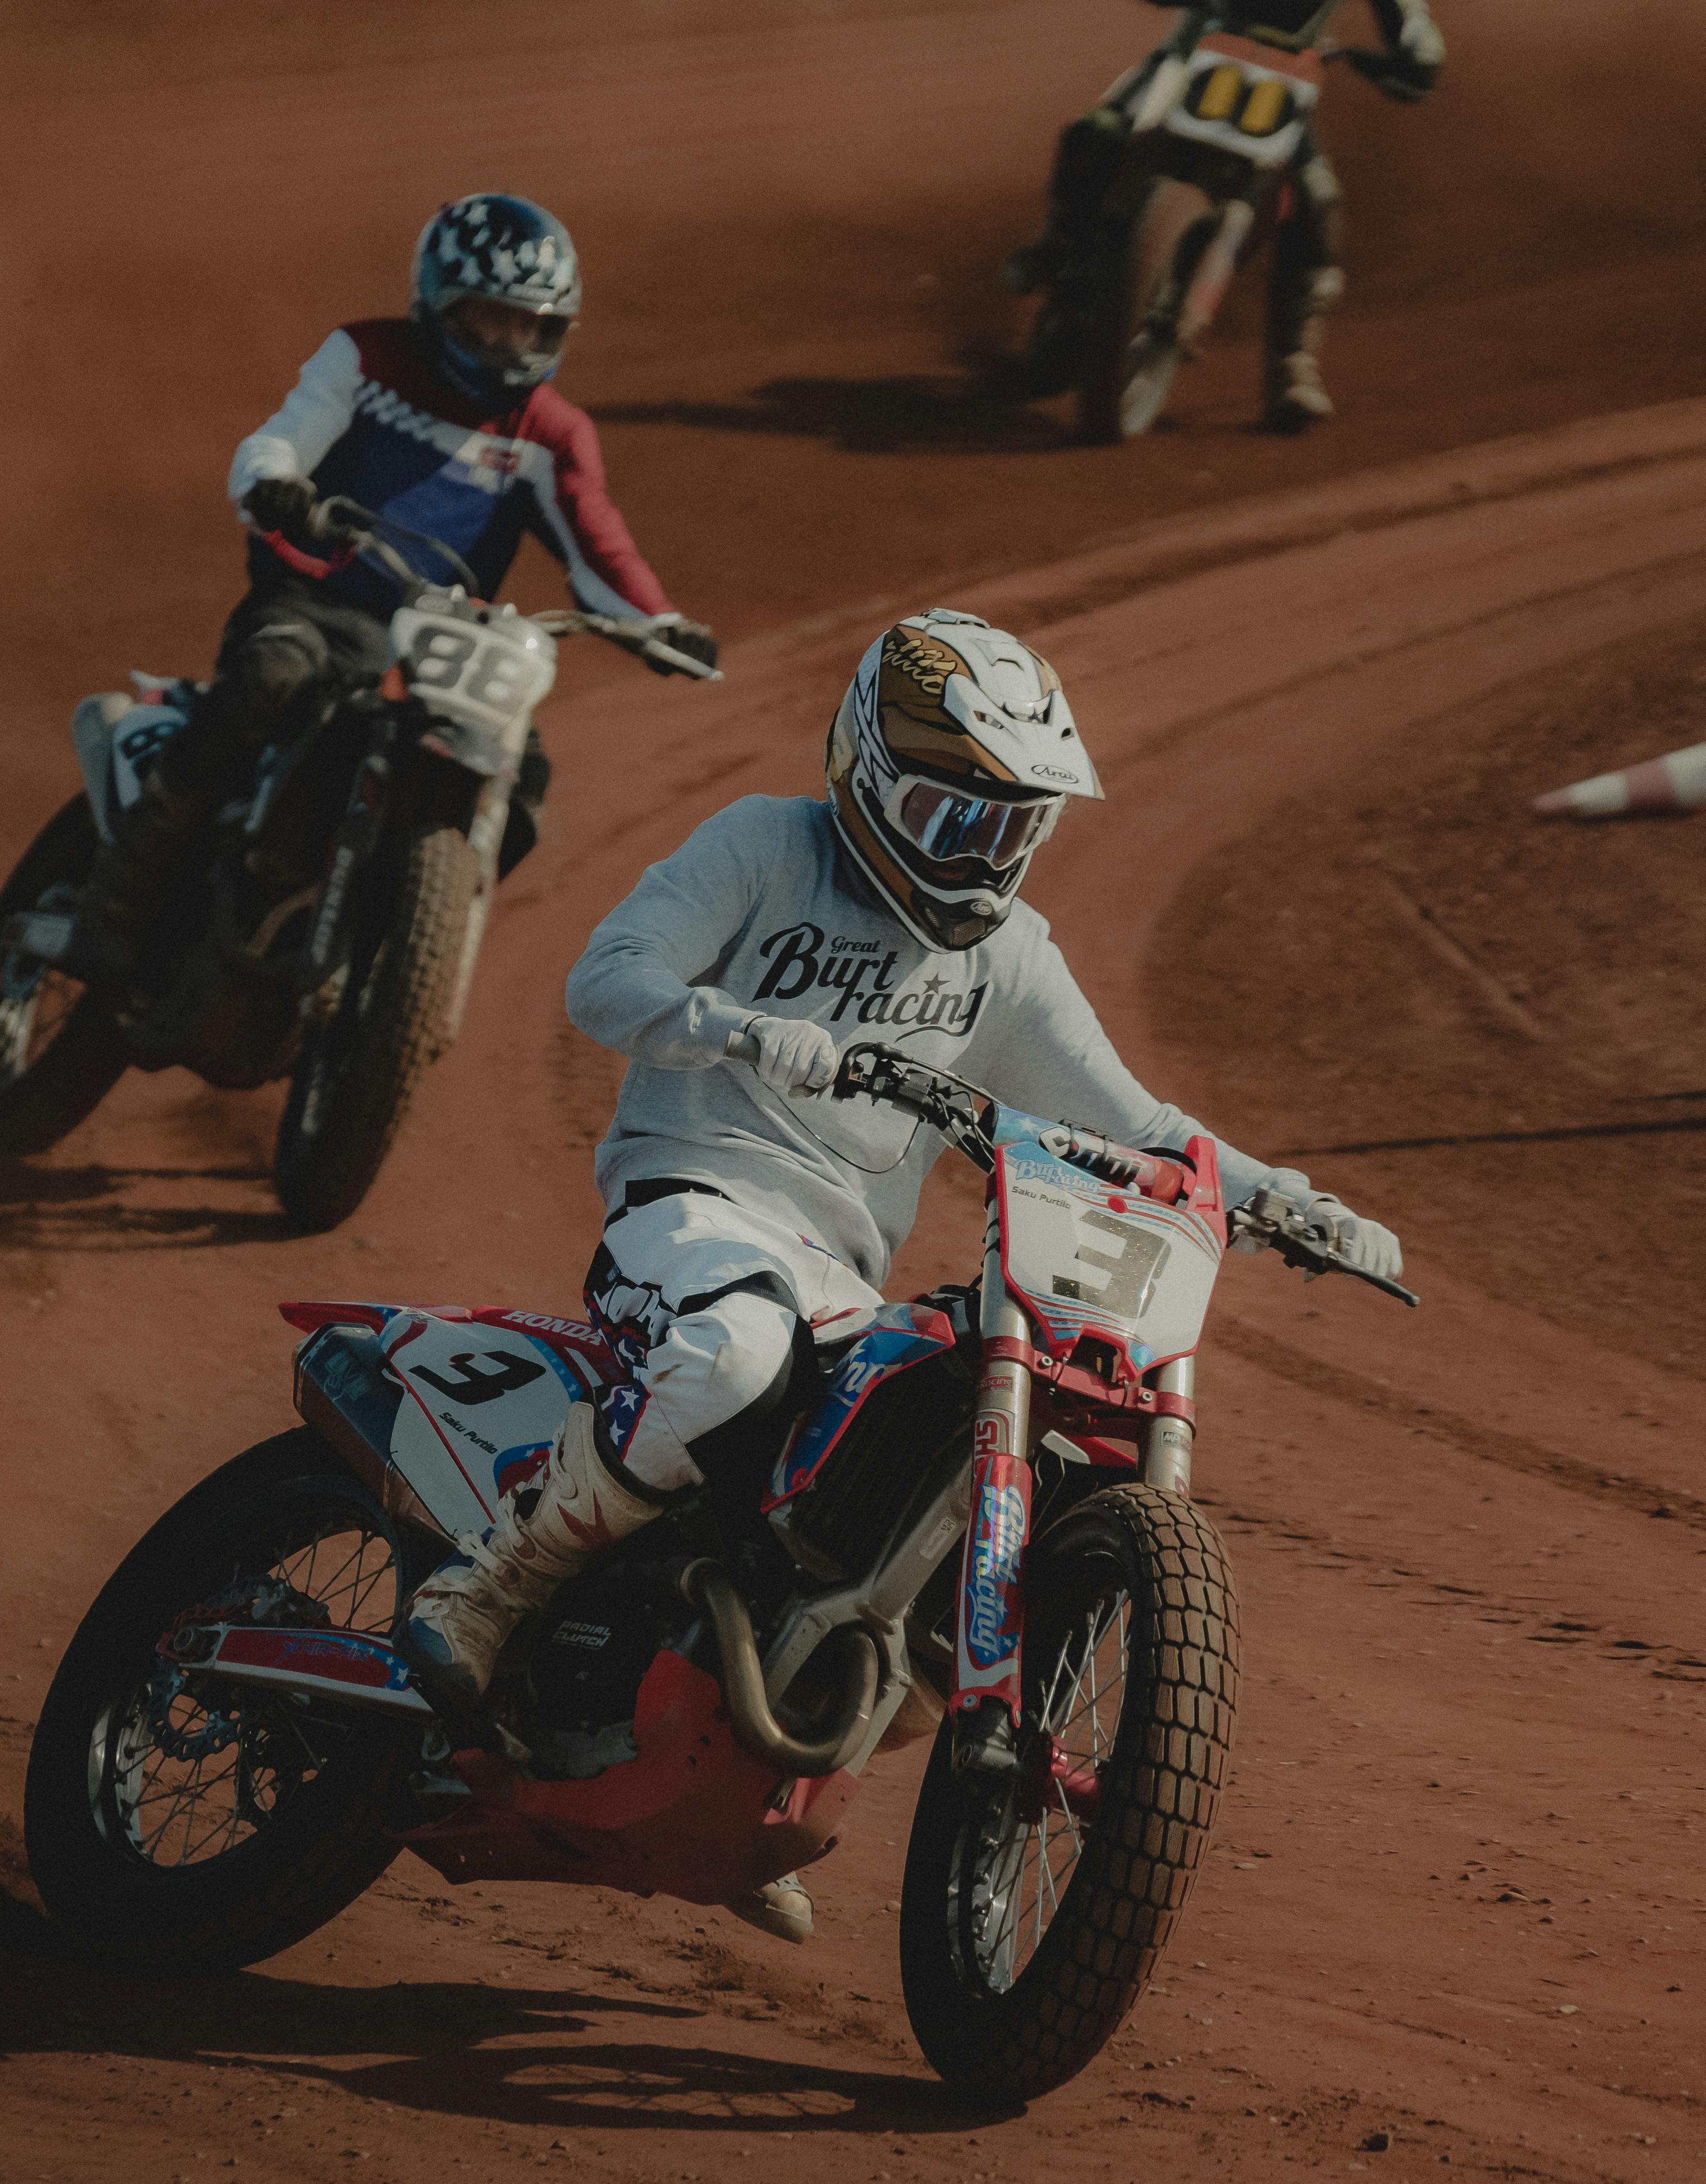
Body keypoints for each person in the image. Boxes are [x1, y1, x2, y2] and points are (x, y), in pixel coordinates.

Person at [395, 608, 1404, 1939]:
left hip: (838, 1274)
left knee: (926, 1491)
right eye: (949, 816)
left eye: (1009, 826)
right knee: (732, 1360)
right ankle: (493, 1586)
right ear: (866, 773)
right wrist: (751, 1032)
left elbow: (1134, 1119)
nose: (978, 854)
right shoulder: (765, 846)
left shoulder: (1009, 956)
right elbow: (606, 983)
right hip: (692, 1203)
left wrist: (1283, 1197)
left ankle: (772, 1749)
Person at [68, 192, 717, 990]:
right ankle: (117, 903)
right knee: (272, 680)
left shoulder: (551, 432)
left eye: (526, 324)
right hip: (315, 598)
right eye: (485, 319)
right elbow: (287, 434)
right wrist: (274, 483)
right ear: (439, 304)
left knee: (526, 778)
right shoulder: (367, 357)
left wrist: (660, 622)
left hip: (439, 640)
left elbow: (597, 543)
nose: (505, 343)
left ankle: (398, 949)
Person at [1005, 0, 1443, 431]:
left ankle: (1293, 362)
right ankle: (1057, 244)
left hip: (1287, 74)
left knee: (1317, 200)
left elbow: (1413, 29)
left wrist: (1417, 58)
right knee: (1098, 133)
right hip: (1198, 47)